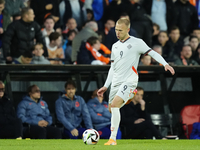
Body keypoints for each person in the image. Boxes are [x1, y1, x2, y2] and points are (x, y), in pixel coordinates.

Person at [97, 18, 175, 145]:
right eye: (116, 30)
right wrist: (106, 86)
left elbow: (153, 53)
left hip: (129, 80)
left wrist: (165, 64)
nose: (117, 33)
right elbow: (112, 68)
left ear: (128, 30)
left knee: (115, 105)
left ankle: (112, 139)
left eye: (120, 30)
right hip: (116, 81)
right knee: (112, 109)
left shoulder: (137, 42)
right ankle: (129, 96)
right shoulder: (115, 46)